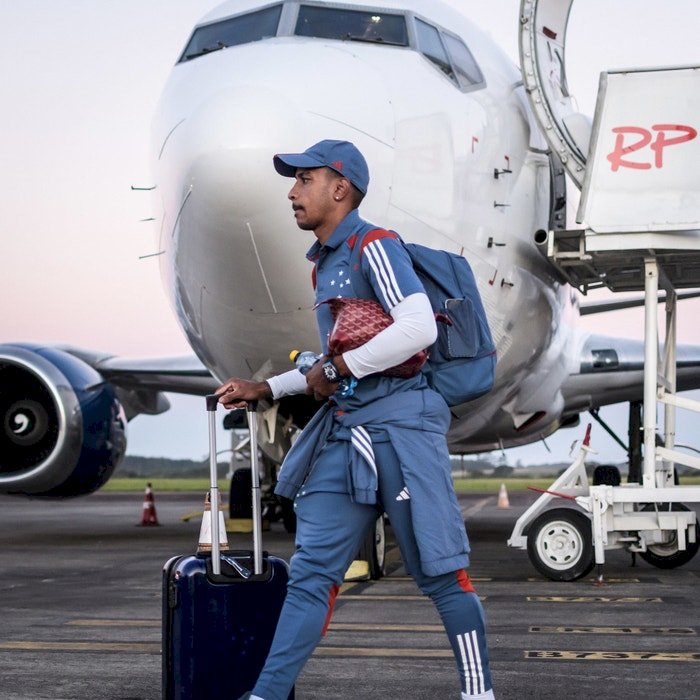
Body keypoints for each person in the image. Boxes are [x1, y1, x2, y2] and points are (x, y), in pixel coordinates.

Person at [216, 139, 495, 700]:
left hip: (402, 427)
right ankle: (265, 696)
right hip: (347, 429)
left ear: (339, 188)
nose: (292, 192)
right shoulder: (326, 265)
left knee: (441, 573)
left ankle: (478, 693)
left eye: (304, 180)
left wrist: (340, 368)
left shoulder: (375, 245)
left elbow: (418, 329)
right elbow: (329, 367)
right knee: (311, 576)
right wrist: (266, 387)